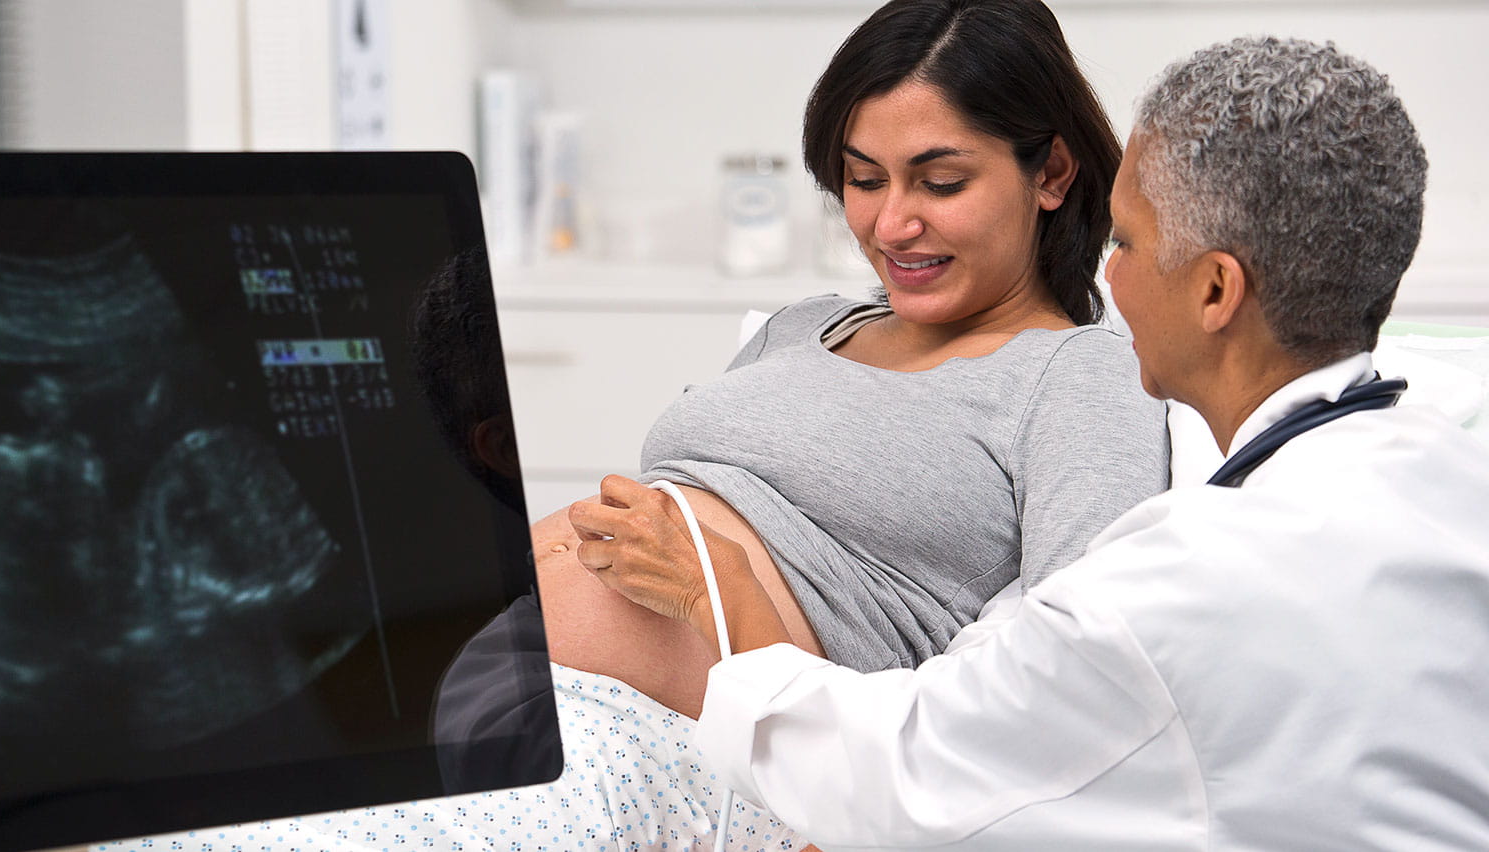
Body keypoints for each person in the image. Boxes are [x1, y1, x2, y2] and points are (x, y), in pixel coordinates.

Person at [92, 0, 1166, 849]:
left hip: (698, 749)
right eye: (861, 179)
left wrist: (737, 622)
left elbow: (1072, 669)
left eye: (940, 180)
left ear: (1052, 172)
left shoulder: (1076, 373)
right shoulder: (804, 326)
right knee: (143, 798)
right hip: (501, 684)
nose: (892, 223)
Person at [572, 35, 1489, 849]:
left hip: (709, 766)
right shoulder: (1436, 480)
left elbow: (916, 782)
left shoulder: (1176, 584)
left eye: (1124, 244)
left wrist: (716, 590)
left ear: (1215, 292)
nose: (1108, 279)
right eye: (863, 177)